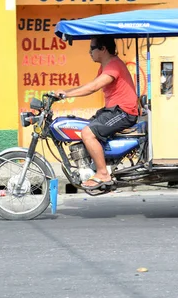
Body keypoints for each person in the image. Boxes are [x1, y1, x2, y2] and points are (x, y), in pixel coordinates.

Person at [57, 36, 138, 190]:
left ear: (103, 49)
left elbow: (93, 87)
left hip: (124, 111)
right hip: (113, 110)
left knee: (88, 133)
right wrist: (64, 93)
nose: (89, 52)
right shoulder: (105, 66)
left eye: (92, 48)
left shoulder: (113, 65)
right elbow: (90, 86)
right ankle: (95, 165)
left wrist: (65, 95)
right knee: (84, 127)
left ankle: (102, 174)